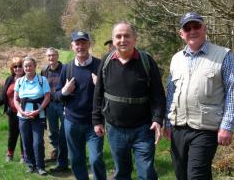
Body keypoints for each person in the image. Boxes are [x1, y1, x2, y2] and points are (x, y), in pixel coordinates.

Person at [164, 12, 234, 180]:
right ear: (182, 34)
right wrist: (167, 122)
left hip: (205, 128)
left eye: (196, 26)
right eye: (187, 28)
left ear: (205, 29)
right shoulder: (176, 59)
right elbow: (171, 93)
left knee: (196, 175)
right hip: (178, 127)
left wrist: (227, 125)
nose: (192, 31)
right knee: (182, 175)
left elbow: (232, 91)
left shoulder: (224, 55)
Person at [93, 21, 166, 180]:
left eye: (127, 36)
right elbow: (98, 93)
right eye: (118, 36)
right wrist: (97, 120)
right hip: (115, 129)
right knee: (122, 172)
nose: (122, 40)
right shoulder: (106, 61)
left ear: (135, 39)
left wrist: (158, 119)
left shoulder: (147, 61)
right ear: (113, 40)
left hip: (143, 129)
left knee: (146, 173)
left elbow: (158, 94)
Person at [55, 31, 106, 180]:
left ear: (89, 44)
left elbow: (111, 91)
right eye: (77, 43)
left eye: (84, 43)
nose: (81, 46)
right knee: (77, 160)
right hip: (72, 122)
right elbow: (56, 95)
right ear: (72, 46)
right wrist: (65, 91)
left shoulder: (100, 65)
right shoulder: (67, 68)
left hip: (94, 122)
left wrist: (100, 86)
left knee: (96, 159)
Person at [14, 56, 50, 176]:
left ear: (35, 66)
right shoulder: (19, 81)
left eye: (30, 65)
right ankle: (31, 165)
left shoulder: (42, 80)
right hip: (23, 116)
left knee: (38, 142)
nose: (28, 68)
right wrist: (22, 112)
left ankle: (40, 166)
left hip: (38, 115)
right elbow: (16, 99)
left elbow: (47, 97)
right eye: (25, 66)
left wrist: (39, 110)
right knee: (26, 141)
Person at [0, 57, 25, 163]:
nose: (18, 68)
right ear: (12, 68)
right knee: (12, 134)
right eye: (15, 66)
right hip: (12, 112)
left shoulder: (28, 79)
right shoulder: (9, 79)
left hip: (24, 112)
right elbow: (4, 96)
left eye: (20, 66)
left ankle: (24, 156)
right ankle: (10, 154)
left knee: (24, 134)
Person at [41, 47, 68, 171]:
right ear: (47, 58)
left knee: (66, 130)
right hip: (50, 105)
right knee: (53, 130)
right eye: (49, 56)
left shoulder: (65, 69)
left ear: (57, 56)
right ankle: (56, 152)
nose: (51, 58)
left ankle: (67, 155)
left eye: (53, 55)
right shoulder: (44, 70)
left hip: (63, 104)